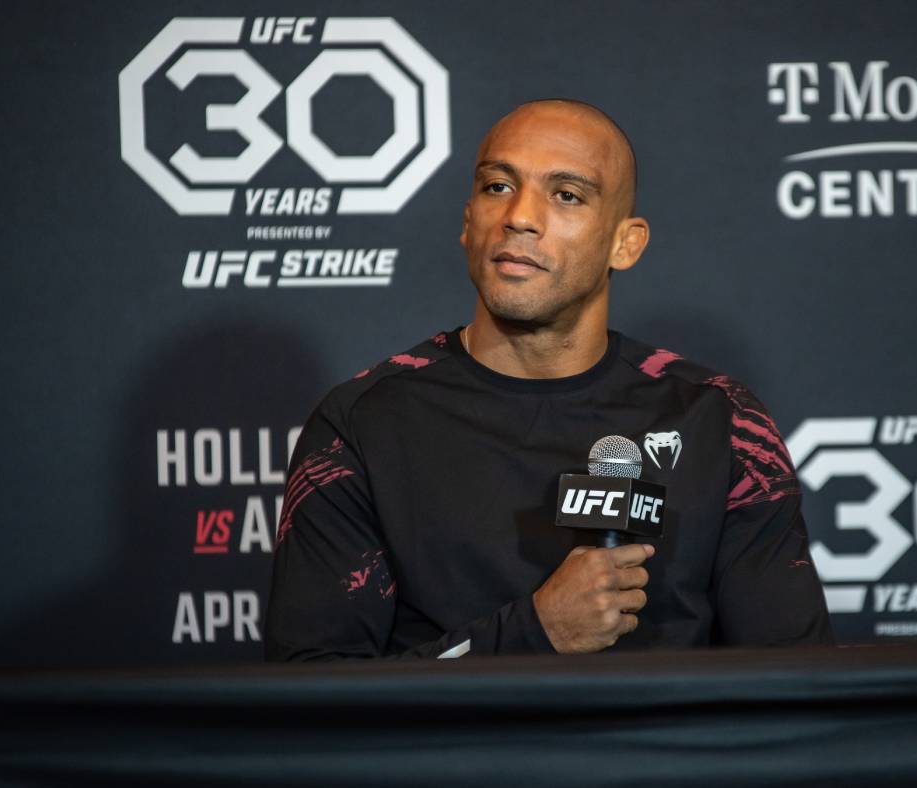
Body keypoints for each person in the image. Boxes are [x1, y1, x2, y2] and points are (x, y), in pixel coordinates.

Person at [265, 99, 832, 659]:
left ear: (625, 243)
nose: (520, 216)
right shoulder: (362, 425)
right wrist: (532, 632)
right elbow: (316, 694)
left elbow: (794, 679)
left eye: (566, 195)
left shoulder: (720, 421)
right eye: (498, 187)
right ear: (468, 223)